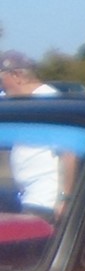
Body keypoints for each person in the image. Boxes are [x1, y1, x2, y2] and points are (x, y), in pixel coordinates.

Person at [1, 51, 72, 218]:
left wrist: (65, 198)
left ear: (17, 75)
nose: (1, 87)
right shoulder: (29, 102)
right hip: (30, 196)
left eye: (1, 80)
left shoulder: (49, 103)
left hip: (45, 201)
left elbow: (69, 152)